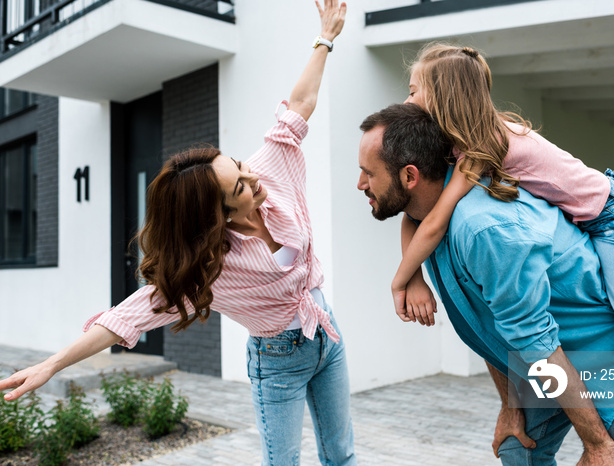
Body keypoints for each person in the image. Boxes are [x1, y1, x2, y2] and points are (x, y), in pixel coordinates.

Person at [0, 2, 355, 464]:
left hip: (325, 331)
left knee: (342, 456)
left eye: (243, 168)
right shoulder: (209, 267)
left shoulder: (271, 164)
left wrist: (325, 37)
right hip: (277, 362)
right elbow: (124, 319)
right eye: (241, 189)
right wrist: (51, 365)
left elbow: (300, 106)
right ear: (217, 217)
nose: (255, 181)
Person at [389, 43, 614, 465]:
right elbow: (416, 214)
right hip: (585, 222)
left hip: (612, 214)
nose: (407, 101)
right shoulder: (458, 149)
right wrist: (418, 277)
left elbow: (436, 219)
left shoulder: (482, 147)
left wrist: (400, 279)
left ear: (443, 96)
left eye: (413, 91)